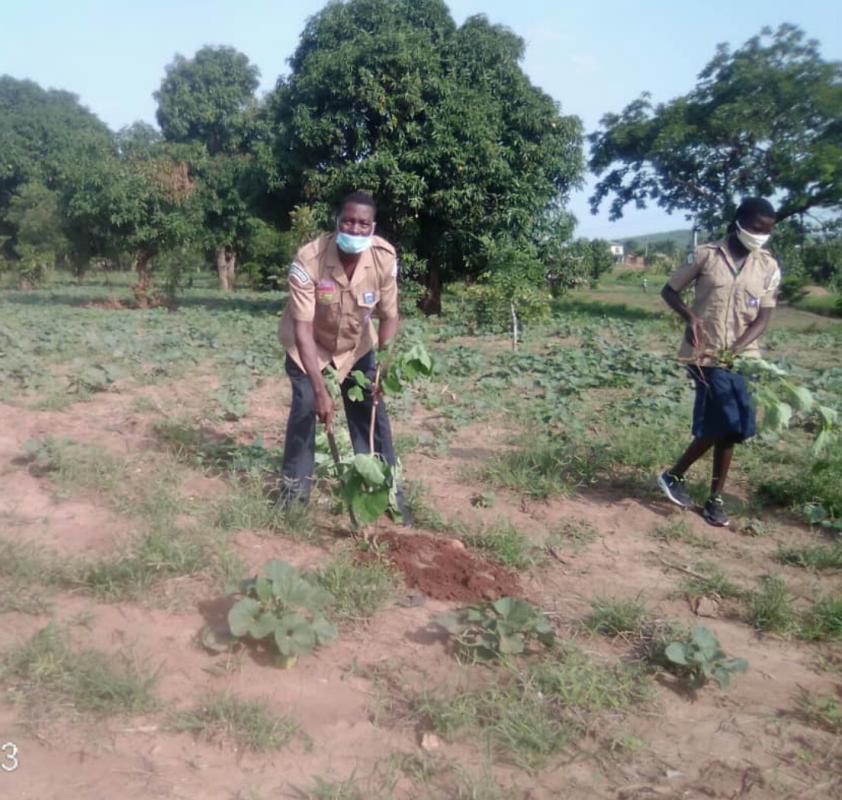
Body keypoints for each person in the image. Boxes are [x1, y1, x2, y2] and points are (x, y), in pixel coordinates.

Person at [276, 191, 409, 522]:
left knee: (372, 413)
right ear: (337, 222)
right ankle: (293, 497)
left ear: (372, 226)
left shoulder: (384, 258)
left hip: (357, 346)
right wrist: (321, 391)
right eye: (348, 220)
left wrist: (383, 368)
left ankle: (387, 493)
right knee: (307, 406)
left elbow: (389, 316)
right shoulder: (309, 260)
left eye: (363, 223)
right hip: (309, 345)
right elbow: (303, 330)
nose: (355, 228)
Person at [657, 198, 780, 527]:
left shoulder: (767, 266)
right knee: (726, 417)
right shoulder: (706, 255)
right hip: (704, 352)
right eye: (756, 228)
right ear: (739, 222)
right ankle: (674, 475)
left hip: (743, 357)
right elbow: (669, 291)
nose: (760, 235)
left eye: (767, 231)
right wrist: (690, 317)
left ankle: (715, 499)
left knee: (735, 428)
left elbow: (763, 319)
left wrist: (738, 347)